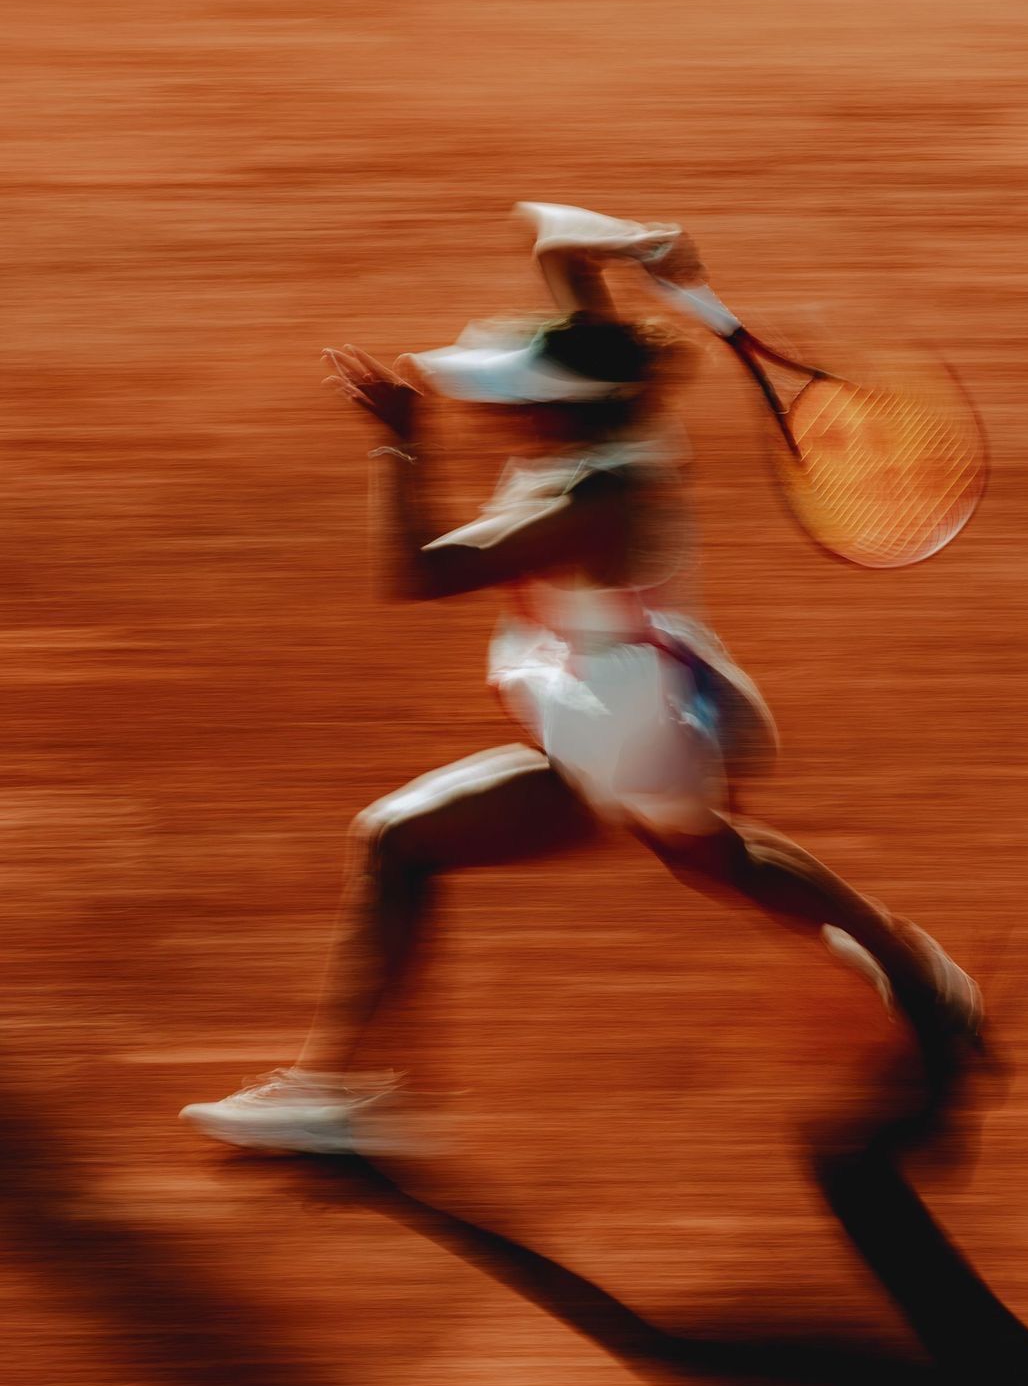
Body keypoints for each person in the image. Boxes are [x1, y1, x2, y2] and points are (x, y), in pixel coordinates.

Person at [180, 203, 984, 1155]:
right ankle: (916, 972)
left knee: (396, 843)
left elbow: (418, 570)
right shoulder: (611, 421)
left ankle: (339, 1092)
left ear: (559, 410)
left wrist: (398, 441)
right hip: (654, 683)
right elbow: (552, 237)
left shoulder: (588, 502)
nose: (496, 405)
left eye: (515, 395)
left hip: (624, 722)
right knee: (711, 858)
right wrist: (631, 241)